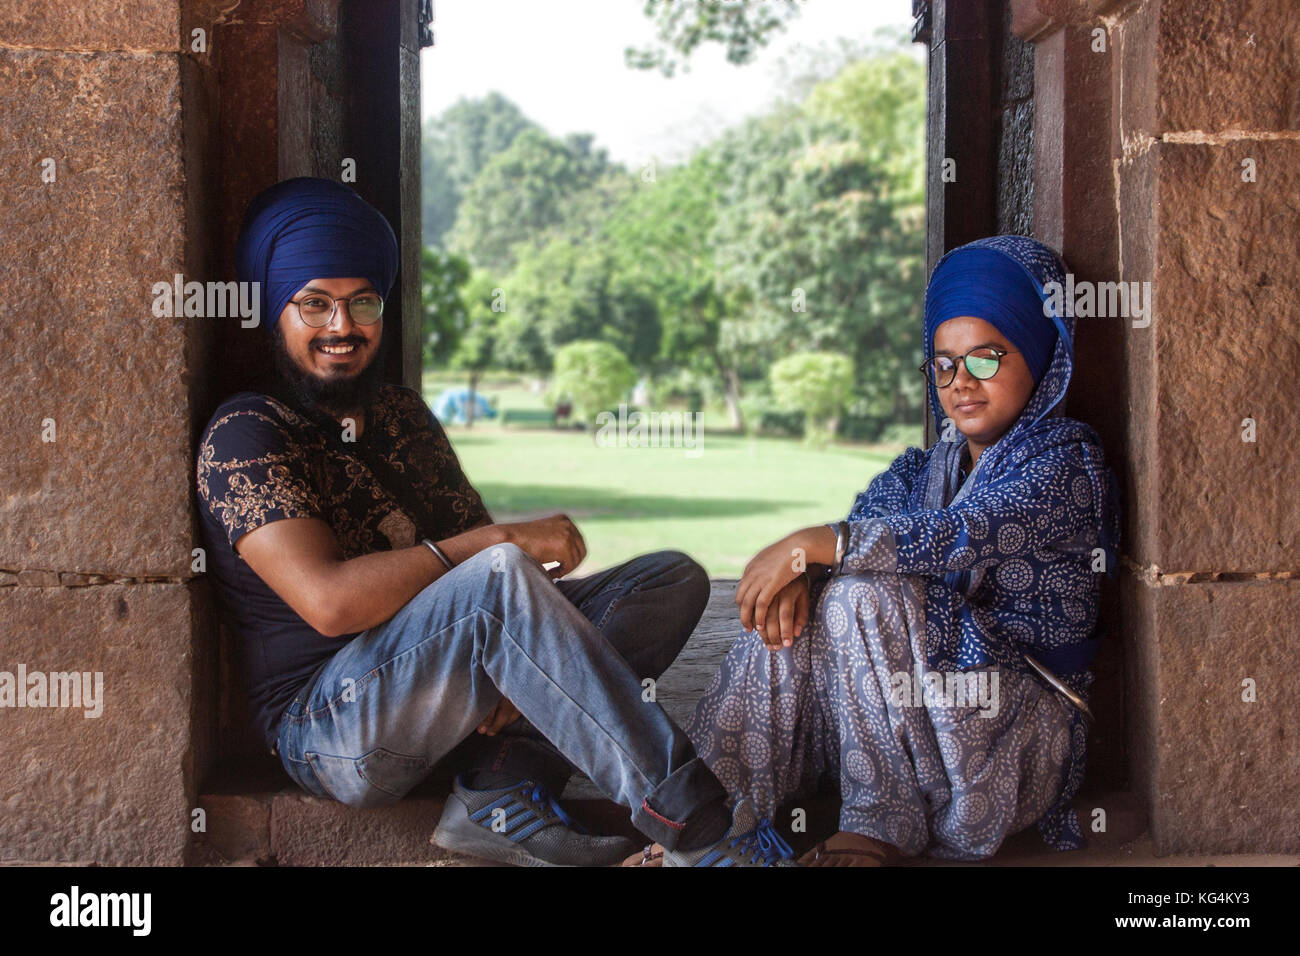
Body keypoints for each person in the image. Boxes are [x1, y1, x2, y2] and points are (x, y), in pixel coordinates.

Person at [195, 176, 792, 867]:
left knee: (667, 580)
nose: (342, 327)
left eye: (363, 303)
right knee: (500, 571)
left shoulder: (399, 419)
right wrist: (497, 542)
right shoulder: (246, 434)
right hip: (332, 729)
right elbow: (331, 604)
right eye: (315, 304)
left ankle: (499, 789)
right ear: (276, 312)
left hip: (449, 703)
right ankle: (699, 827)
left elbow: (492, 597)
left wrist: (511, 654)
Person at [646, 235, 1121, 867]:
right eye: (945, 364)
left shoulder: (1066, 461)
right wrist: (806, 575)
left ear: (1036, 352)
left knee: (863, 590)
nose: (961, 383)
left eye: (986, 359)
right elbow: (857, 543)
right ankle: (709, 824)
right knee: (794, 616)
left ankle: (877, 829)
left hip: (1014, 734)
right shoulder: (919, 471)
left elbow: (967, 533)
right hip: (920, 729)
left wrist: (826, 545)